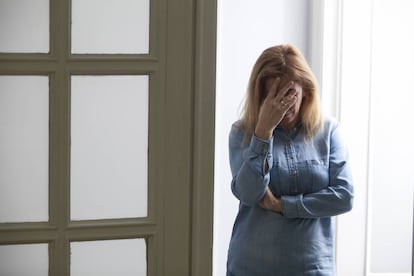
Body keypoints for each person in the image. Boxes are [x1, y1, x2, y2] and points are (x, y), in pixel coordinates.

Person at [226, 44, 354, 276]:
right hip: (252, 267)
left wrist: (283, 206)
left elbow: (344, 197)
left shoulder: (328, 131)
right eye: (272, 96)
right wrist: (263, 133)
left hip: (313, 267)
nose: (282, 104)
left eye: (289, 94)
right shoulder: (241, 133)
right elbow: (249, 193)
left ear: (305, 89)